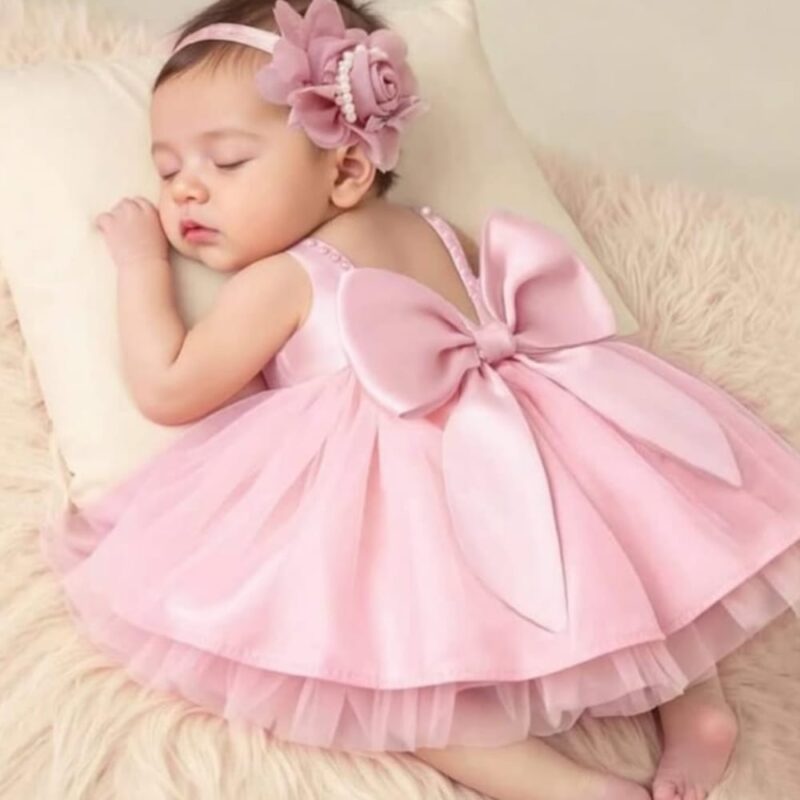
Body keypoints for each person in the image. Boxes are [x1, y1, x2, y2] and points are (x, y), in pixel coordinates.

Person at [39, 1, 800, 799]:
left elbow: (169, 386)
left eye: (226, 162)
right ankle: (696, 703)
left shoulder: (286, 276)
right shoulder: (435, 228)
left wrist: (139, 266)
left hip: (408, 498)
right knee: (638, 550)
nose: (187, 192)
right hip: (534, 440)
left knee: (399, 681)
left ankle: (567, 789)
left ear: (345, 171)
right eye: (167, 171)